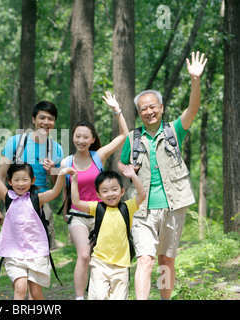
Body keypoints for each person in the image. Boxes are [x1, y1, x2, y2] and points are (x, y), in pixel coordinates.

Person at [117, 51, 208, 300]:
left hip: (173, 206)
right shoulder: (133, 138)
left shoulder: (175, 130)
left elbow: (193, 108)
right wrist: (125, 170)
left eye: (152, 107)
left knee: (166, 260)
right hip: (142, 208)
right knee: (145, 259)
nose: (148, 112)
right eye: (143, 109)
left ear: (161, 108)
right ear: (139, 112)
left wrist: (195, 80)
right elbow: (122, 163)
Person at [0, 141, 75, 300]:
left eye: (25, 179)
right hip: (14, 254)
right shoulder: (8, 198)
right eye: (16, 180)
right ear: (10, 182)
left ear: (32, 181)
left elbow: (55, 191)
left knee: (36, 294)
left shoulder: (36, 198)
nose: (20, 183)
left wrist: (61, 173)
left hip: (36, 253)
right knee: (20, 289)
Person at [60, 91, 129, 300]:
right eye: (77, 136)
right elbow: (65, 190)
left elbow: (124, 135)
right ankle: (80, 297)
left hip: (101, 214)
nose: (80, 140)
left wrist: (117, 110)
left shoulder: (98, 156)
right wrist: (66, 214)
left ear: (92, 140)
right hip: (78, 214)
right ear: (73, 137)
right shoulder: (65, 162)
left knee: (101, 259)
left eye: (85, 137)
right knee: (83, 255)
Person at [0, 101, 64, 249]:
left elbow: (56, 184)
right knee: (15, 248)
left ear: (54, 122)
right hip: (15, 202)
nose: (46, 122)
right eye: (42, 118)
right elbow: (0, 175)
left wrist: (52, 171)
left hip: (42, 202)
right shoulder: (15, 142)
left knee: (43, 248)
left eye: (50, 119)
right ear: (33, 119)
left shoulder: (56, 149)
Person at [71, 167, 146, 300]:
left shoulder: (127, 207)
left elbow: (142, 195)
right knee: (99, 296)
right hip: (100, 263)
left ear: (122, 191)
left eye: (114, 189)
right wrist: (75, 180)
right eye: (105, 191)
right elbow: (76, 202)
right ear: (99, 195)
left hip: (122, 265)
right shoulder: (97, 208)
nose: (110, 194)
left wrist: (133, 176)